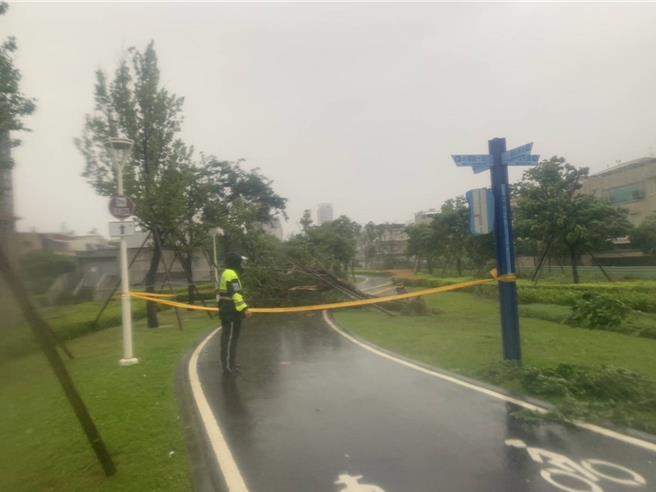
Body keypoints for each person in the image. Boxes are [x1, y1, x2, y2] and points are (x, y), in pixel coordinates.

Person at [217, 253, 251, 375]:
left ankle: (231, 363)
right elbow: (235, 293)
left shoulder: (230, 273)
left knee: (233, 338)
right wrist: (245, 308)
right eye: (241, 262)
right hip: (230, 310)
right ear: (236, 262)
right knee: (230, 338)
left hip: (231, 308)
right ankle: (227, 366)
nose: (243, 265)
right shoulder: (230, 273)